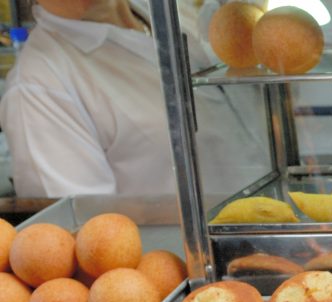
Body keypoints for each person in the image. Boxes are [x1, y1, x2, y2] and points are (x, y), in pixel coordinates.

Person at [0, 0, 267, 198]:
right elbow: (90, 237)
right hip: (200, 264)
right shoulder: (37, 87)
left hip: (280, 225)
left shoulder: (167, 10)